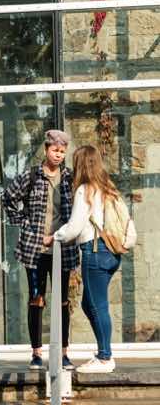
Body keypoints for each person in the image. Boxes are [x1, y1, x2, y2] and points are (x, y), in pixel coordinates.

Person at [54, 144, 136, 373]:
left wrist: (55, 236)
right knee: (90, 303)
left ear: (81, 164)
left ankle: (105, 357)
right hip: (111, 253)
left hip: (95, 252)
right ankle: (103, 353)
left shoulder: (85, 190)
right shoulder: (108, 188)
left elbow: (74, 227)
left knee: (97, 305)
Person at [2, 129, 79, 370]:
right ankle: (36, 353)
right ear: (46, 149)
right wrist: (24, 222)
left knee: (63, 301)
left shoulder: (69, 177)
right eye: (55, 150)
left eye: (62, 152)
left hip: (62, 248)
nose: (58, 155)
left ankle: (63, 353)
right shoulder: (32, 175)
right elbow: (8, 197)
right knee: (37, 299)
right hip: (35, 249)